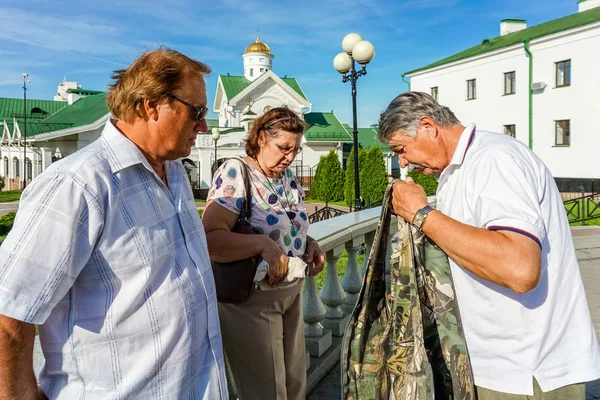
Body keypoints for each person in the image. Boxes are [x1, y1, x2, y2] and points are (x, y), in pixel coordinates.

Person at [0, 48, 228, 399]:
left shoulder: (175, 171)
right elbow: (9, 313)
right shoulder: (80, 184)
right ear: (151, 105)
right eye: (196, 111)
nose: (203, 125)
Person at [378, 91, 600, 399]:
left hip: (525, 373)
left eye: (401, 149)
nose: (402, 161)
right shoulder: (458, 169)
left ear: (427, 126)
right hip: (497, 365)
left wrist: (422, 214)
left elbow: (519, 268)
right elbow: (469, 248)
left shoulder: (494, 160)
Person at [202, 107, 325, 400]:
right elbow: (209, 239)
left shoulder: (286, 177)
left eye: (295, 150)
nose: (290, 157)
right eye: (283, 148)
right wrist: (261, 246)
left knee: (295, 385)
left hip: (290, 293)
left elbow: (287, 225)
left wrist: (310, 243)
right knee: (267, 392)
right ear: (260, 139)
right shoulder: (236, 171)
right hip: (252, 299)